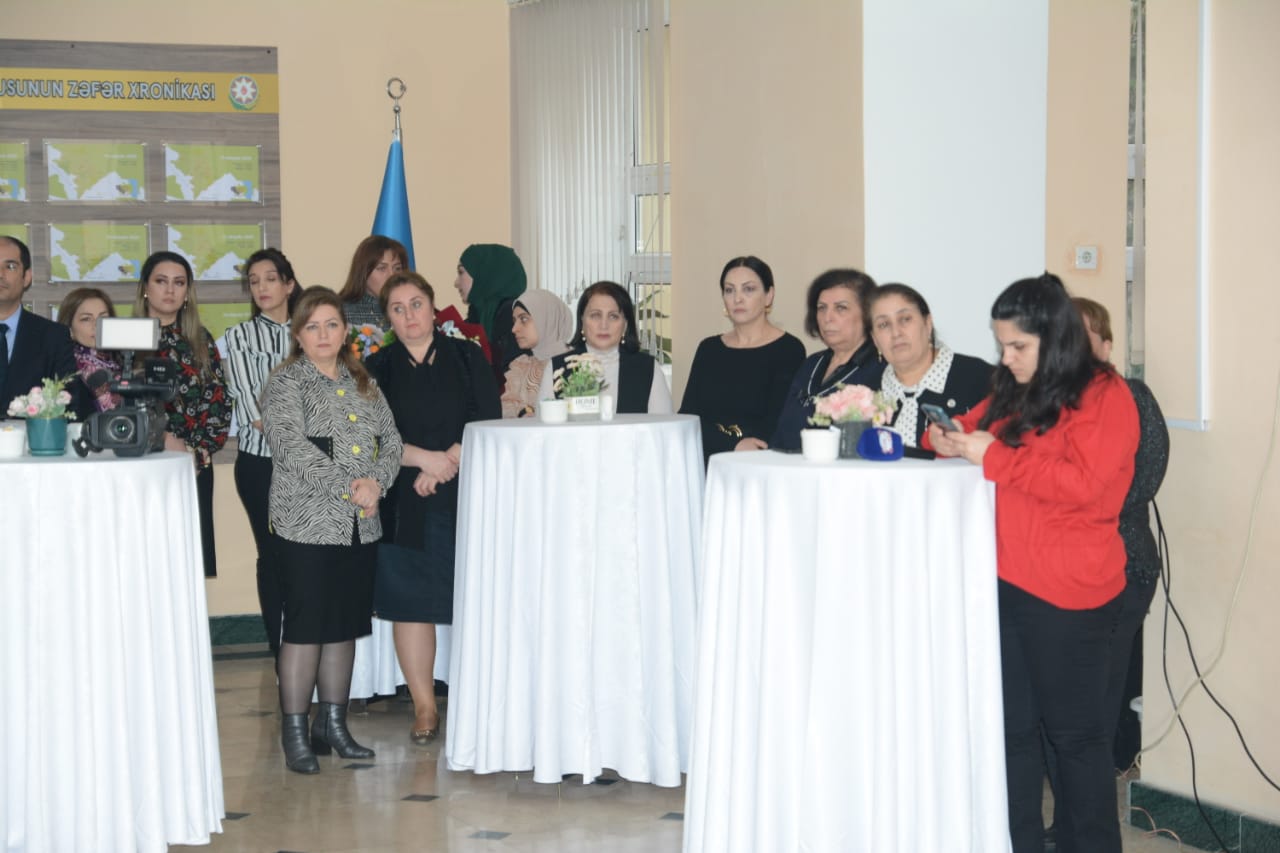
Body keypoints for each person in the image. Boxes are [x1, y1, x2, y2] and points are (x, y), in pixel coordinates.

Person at [925, 274, 1138, 853]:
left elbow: (1088, 488)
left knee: (1076, 741)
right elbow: (971, 429)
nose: (1007, 357)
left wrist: (994, 456)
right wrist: (948, 439)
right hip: (1004, 581)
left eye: (1018, 345)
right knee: (1011, 733)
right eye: (1002, 345)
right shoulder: (1016, 387)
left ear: (1057, 336)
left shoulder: (1105, 393)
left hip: (1070, 591)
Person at [260, 286, 404, 774]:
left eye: (332, 325)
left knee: (343, 626)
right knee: (305, 629)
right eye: (312, 326)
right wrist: (349, 486)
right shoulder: (286, 383)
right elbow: (290, 447)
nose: (323, 334)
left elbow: (392, 442)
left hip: (360, 526)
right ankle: (295, 733)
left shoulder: (363, 380)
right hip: (305, 524)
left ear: (345, 331)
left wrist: (377, 483)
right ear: (298, 335)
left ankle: (333, 726)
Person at [366, 272, 500, 743]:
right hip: (405, 501)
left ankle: (479, 700)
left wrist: (447, 463)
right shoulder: (376, 368)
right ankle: (424, 706)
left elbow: (487, 417)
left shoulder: (467, 356)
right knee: (411, 605)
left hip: (465, 494)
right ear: (388, 318)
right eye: (397, 308)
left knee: (474, 598)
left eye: (416, 304)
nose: (409, 315)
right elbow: (371, 436)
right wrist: (423, 459)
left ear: (432, 305)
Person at [223, 248, 301, 657]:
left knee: (310, 556)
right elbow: (258, 410)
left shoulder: (312, 330)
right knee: (273, 557)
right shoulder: (239, 337)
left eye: (270, 279)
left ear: (289, 284)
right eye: (254, 281)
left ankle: (312, 648)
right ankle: (281, 652)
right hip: (263, 464)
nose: (261, 288)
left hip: (312, 463)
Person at [134, 251, 231, 578]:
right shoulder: (126, 337)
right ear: (146, 288)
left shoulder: (200, 340)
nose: (170, 290)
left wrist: (196, 453)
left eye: (179, 283)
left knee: (186, 566)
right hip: (138, 466)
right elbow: (113, 403)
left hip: (192, 466)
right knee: (143, 563)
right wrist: (160, 437)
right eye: (161, 281)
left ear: (187, 291)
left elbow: (218, 402)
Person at [679, 255, 805, 462]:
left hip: (760, 460)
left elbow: (781, 418)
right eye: (729, 290)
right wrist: (732, 445)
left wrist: (747, 449)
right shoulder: (709, 349)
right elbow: (688, 416)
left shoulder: (789, 349)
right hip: (707, 458)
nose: (737, 298)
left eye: (748, 289)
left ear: (769, 296)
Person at [868, 283, 991, 447]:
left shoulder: (981, 378)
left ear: (928, 324)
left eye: (905, 319)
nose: (896, 333)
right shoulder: (864, 393)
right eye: (883, 325)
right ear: (875, 339)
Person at [772, 268, 883, 450]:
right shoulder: (812, 363)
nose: (827, 318)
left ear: (867, 314)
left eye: (841, 308)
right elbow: (782, 430)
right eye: (821, 308)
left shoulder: (880, 369)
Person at [537, 280, 673, 414]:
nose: (604, 325)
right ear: (582, 321)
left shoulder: (647, 368)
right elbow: (543, 424)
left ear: (625, 325)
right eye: (595, 315)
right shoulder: (557, 368)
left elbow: (662, 425)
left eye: (613, 316)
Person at [0, 235, 84, 418]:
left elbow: (69, 403)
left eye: (10, 266)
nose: (0, 274)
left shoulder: (53, 337)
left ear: (27, 277)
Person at [454, 243, 527, 379]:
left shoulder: (512, 316)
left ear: (484, 273)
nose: (456, 283)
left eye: (461, 272)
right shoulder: (475, 315)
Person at [501, 289, 573, 418]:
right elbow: (506, 407)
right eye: (514, 321)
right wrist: (523, 413)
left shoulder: (579, 363)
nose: (514, 329)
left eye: (524, 319)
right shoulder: (521, 366)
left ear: (547, 319)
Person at [56, 287, 122, 412]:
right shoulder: (69, 368)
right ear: (70, 329)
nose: (96, 325)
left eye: (103, 317)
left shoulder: (121, 358)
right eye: (86, 319)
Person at [338, 235, 408, 328]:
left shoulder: (411, 310)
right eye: (382, 268)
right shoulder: (343, 313)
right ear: (364, 272)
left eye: (397, 268)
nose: (392, 275)